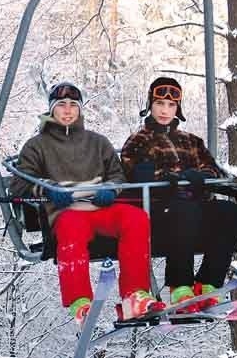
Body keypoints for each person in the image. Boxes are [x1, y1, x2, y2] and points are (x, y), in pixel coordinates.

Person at [10, 82, 164, 325]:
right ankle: (80, 301)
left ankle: (134, 295)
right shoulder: (37, 146)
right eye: (61, 105)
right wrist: (49, 190)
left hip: (101, 208)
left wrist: (110, 190)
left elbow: (117, 175)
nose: (68, 110)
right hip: (67, 211)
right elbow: (20, 184)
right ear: (52, 110)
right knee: (72, 226)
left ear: (80, 110)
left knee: (135, 218)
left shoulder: (97, 142)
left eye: (73, 105)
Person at [121, 77, 237, 311]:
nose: (164, 110)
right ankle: (180, 286)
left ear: (178, 108)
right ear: (150, 104)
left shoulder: (191, 141)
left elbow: (213, 170)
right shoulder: (139, 140)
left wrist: (200, 177)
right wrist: (165, 178)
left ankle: (208, 283)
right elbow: (132, 172)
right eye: (160, 103)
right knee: (184, 210)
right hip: (160, 210)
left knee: (229, 211)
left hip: (195, 206)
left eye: (171, 105)